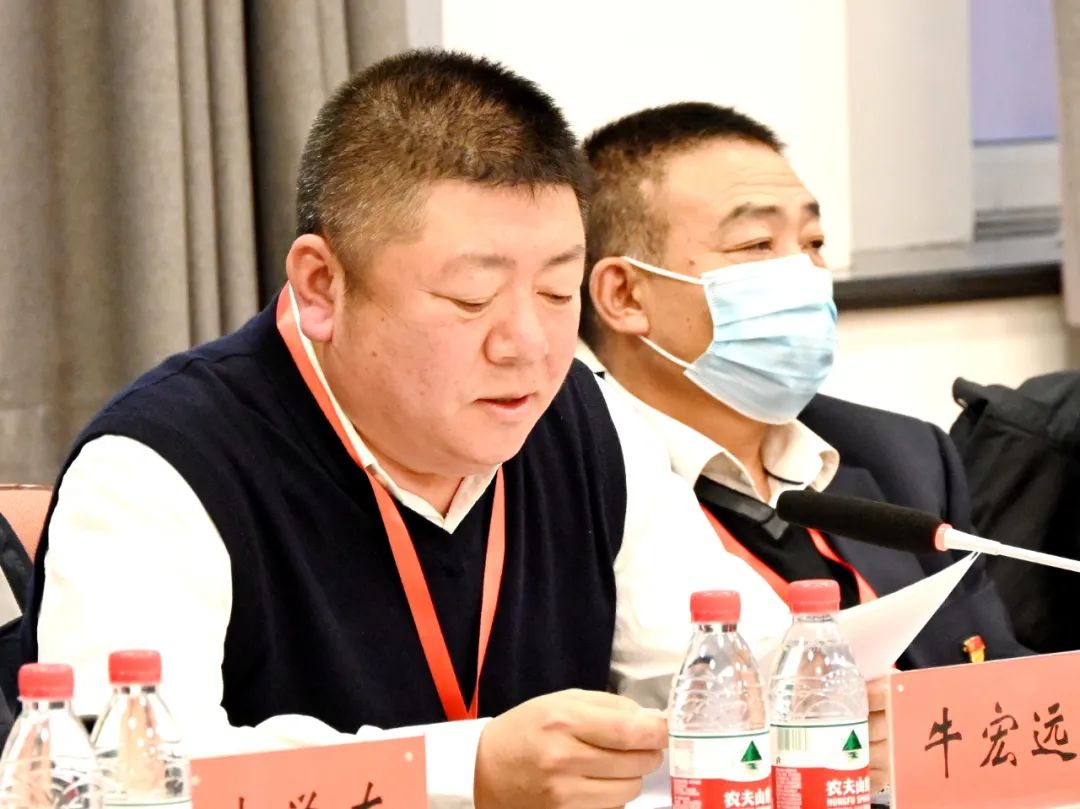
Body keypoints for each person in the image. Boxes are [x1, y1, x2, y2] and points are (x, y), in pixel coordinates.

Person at [25, 53, 794, 808]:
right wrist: (466, 773)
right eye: (472, 297)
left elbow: (731, 661)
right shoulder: (161, 463)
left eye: (558, 291)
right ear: (321, 286)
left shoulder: (585, 421)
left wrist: (805, 694)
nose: (527, 343)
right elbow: (122, 784)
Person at [579, 101, 1029, 672]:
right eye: (756, 245)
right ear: (624, 295)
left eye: (813, 242)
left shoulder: (904, 457)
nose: (806, 274)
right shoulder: (569, 491)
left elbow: (1001, 680)